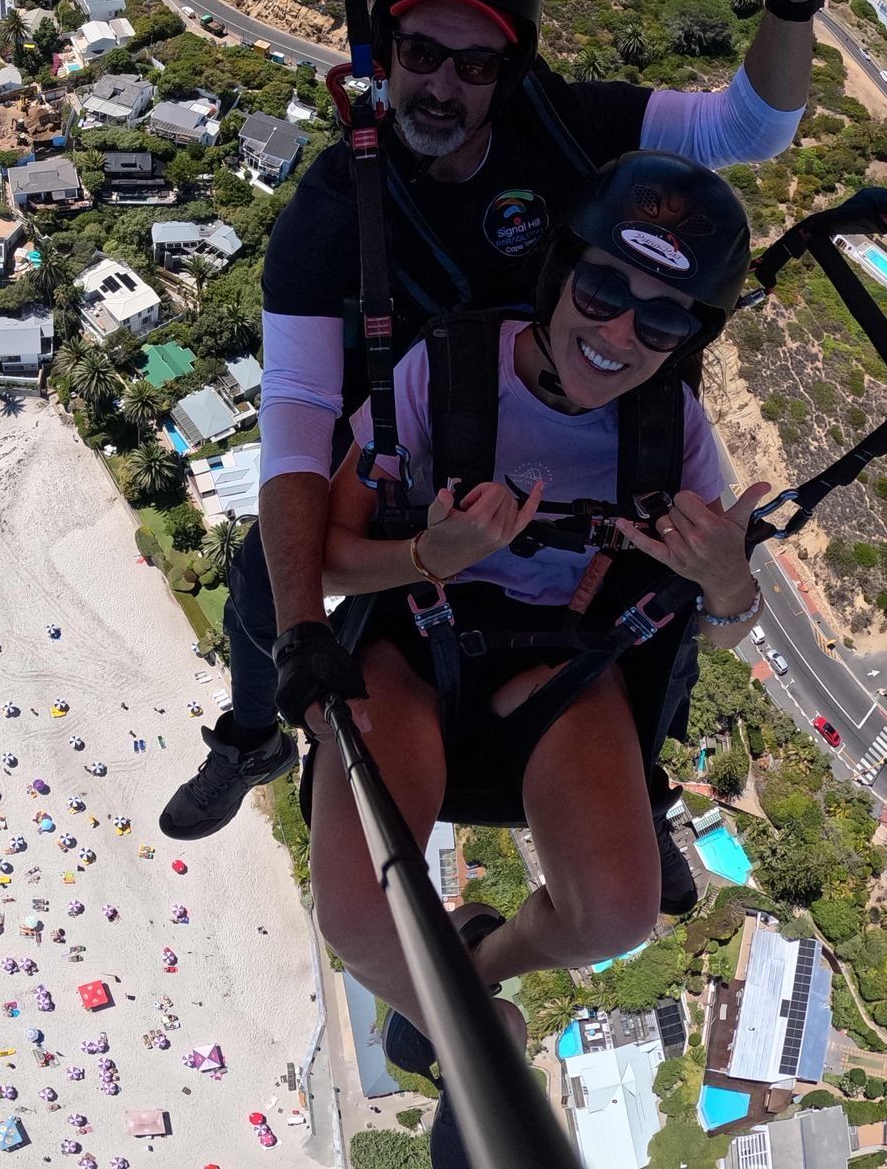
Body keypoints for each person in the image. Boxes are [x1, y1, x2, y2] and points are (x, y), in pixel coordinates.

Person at [158, 0, 825, 842]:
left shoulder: (564, 128)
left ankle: (635, 783)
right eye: (420, 53)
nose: (441, 85)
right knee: (267, 568)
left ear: (508, 75)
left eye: (474, 66)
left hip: (574, 401)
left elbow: (750, 126)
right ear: (385, 53)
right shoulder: (335, 209)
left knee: (660, 579)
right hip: (415, 426)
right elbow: (296, 408)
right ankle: (253, 734)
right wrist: (301, 627)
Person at [306, 152, 767, 1166]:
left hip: (562, 664)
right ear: (560, 274)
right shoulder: (445, 371)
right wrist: (428, 555)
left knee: (615, 916)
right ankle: (489, 1026)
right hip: (412, 640)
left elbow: (718, 630)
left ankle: (480, 966)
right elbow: (326, 557)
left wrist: (728, 584)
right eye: (603, 291)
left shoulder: (670, 428)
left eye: (662, 321)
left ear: (689, 338)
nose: (618, 335)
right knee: (356, 912)